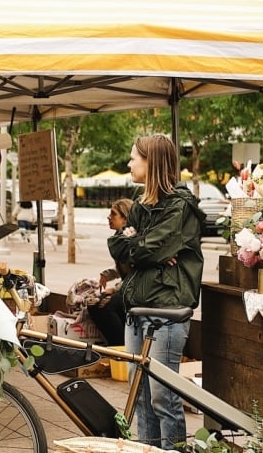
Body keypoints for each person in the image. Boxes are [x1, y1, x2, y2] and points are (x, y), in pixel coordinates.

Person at [107, 134, 204, 450]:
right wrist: (143, 247)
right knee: (142, 398)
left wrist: (140, 246)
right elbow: (118, 245)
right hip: (136, 312)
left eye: (134, 157)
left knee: (163, 397)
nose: (129, 163)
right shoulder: (138, 205)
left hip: (167, 313)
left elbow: (148, 249)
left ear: (152, 162)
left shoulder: (180, 206)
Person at [87, 198, 133, 346]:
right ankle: (113, 345)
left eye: (113, 214)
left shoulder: (131, 240)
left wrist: (115, 289)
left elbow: (136, 273)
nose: (109, 217)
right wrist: (107, 274)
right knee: (93, 304)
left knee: (106, 305)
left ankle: (121, 348)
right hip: (127, 288)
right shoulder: (120, 239)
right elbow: (124, 266)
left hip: (136, 291)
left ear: (125, 219)